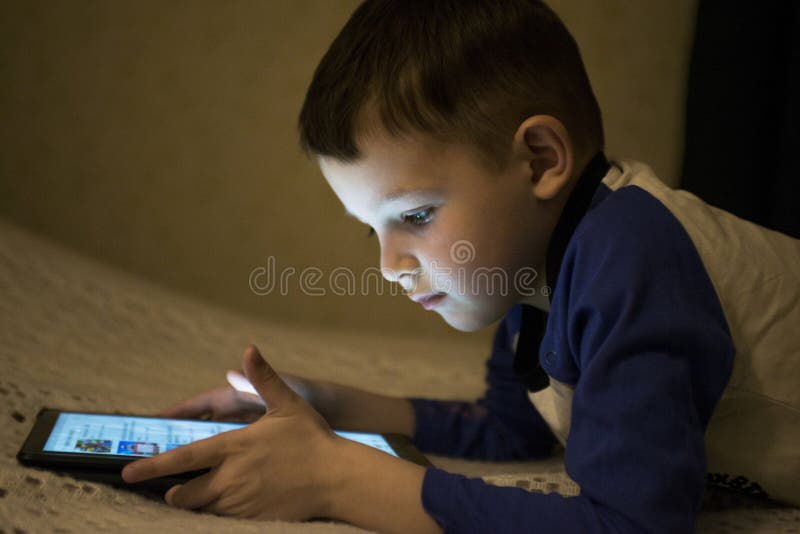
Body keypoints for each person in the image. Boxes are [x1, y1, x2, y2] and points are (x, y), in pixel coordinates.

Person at [121, 1, 800, 532]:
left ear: (538, 160)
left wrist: (335, 479)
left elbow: (630, 525)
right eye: (371, 232)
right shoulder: (535, 272)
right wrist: (328, 407)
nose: (389, 266)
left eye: (415, 216)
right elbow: (511, 429)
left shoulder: (627, 256)